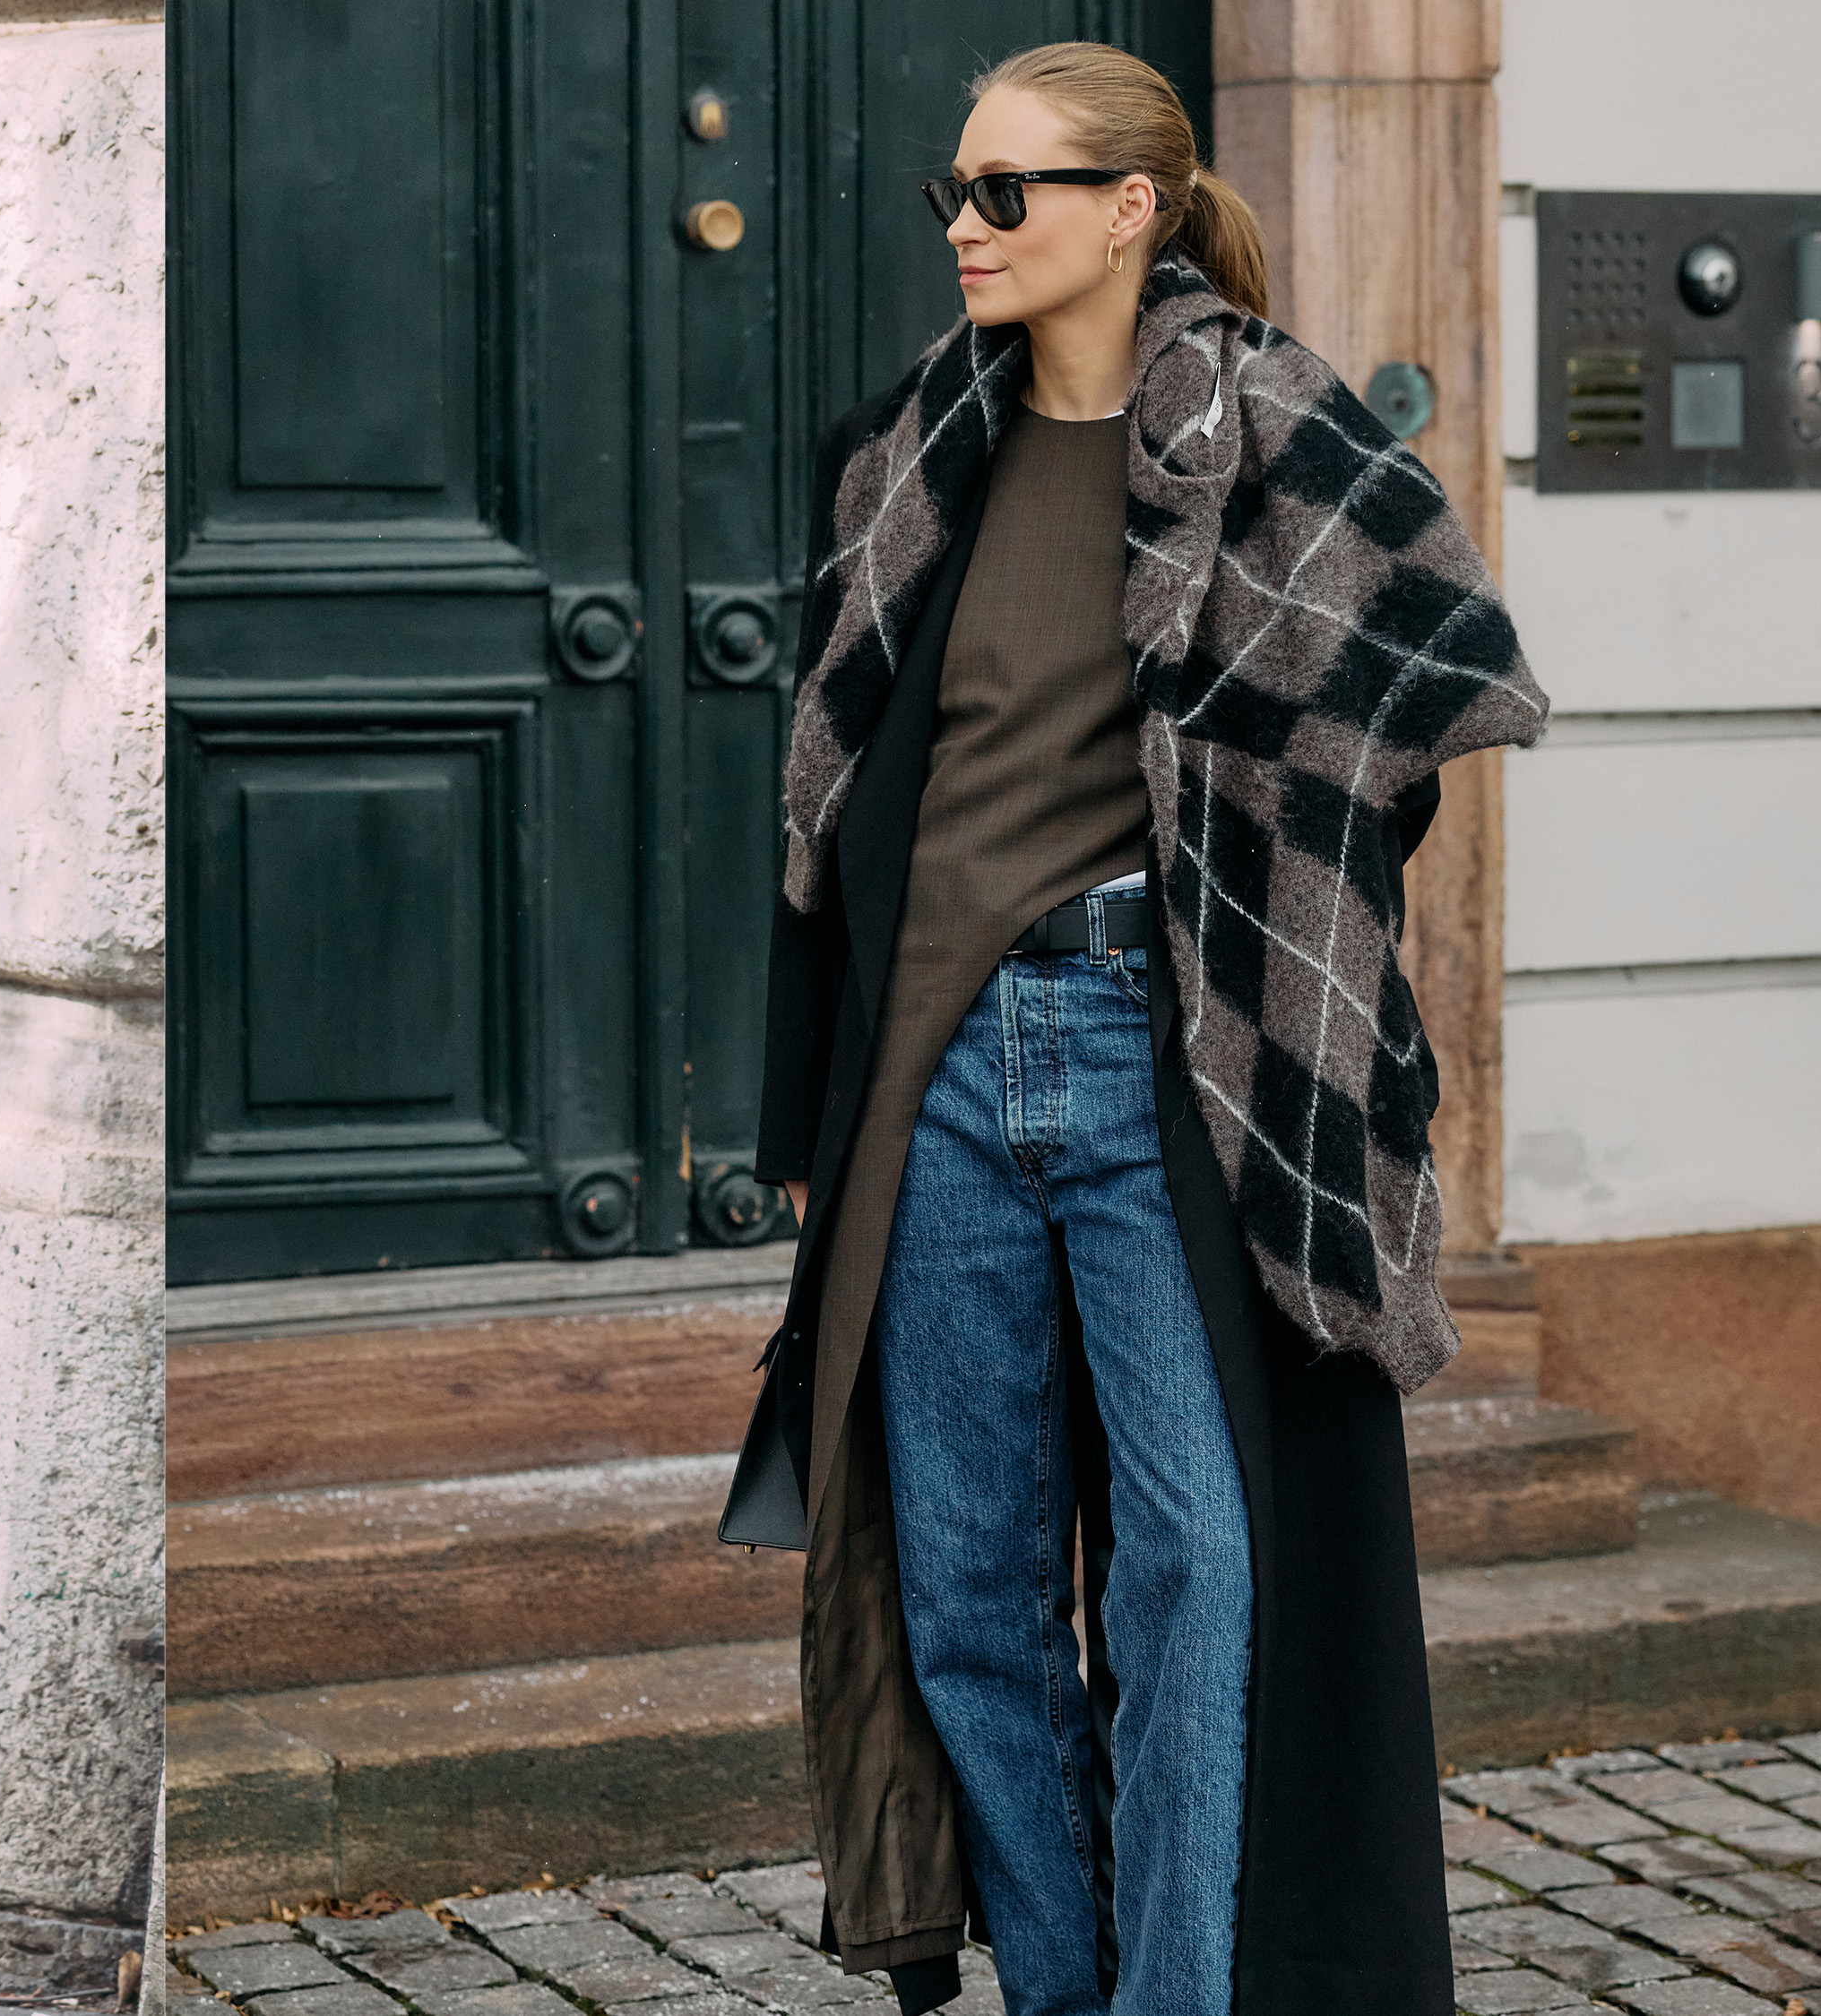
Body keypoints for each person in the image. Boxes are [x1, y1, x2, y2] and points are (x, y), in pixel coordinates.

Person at [739, 43, 1547, 2016]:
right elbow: (827, 819)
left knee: (1200, 1573)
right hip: (930, 1077)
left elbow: (1429, 681)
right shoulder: (905, 455)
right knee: (969, 1600)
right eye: (950, 190)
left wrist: (1263, 888)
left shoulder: (1282, 438)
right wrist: (799, 1109)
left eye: (1003, 192)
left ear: (1129, 207)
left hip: (1162, 1066)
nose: (961, 226)